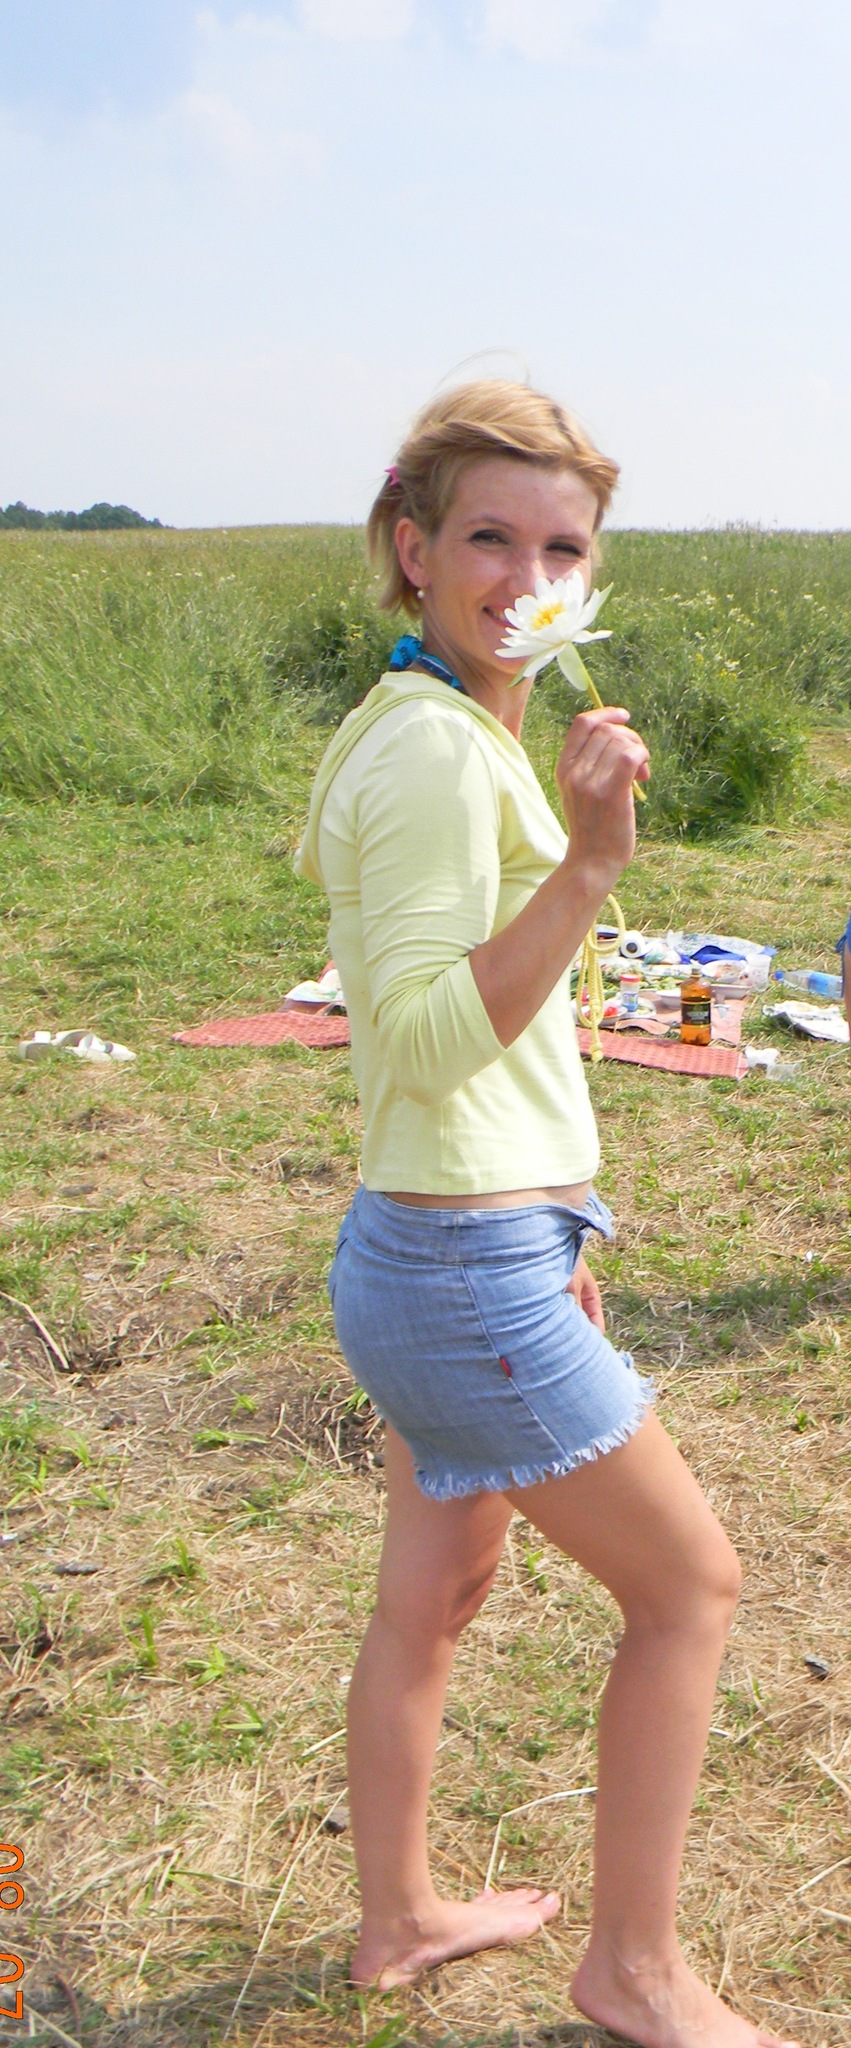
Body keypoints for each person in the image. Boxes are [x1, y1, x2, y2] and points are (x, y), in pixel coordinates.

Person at [297, 380, 798, 2048]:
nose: (526, 579)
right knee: (691, 1590)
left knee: (433, 1598)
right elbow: (425, 1040)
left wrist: (554, 1233)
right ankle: (635, 1974)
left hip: (449, 1246)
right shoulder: (439, 755)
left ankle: (397, 1917)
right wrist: (588, 866)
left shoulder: (435, 723)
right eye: (488, 538)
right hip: (458, 1267)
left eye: (562, 549)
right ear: (412, 548)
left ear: (592, 572)